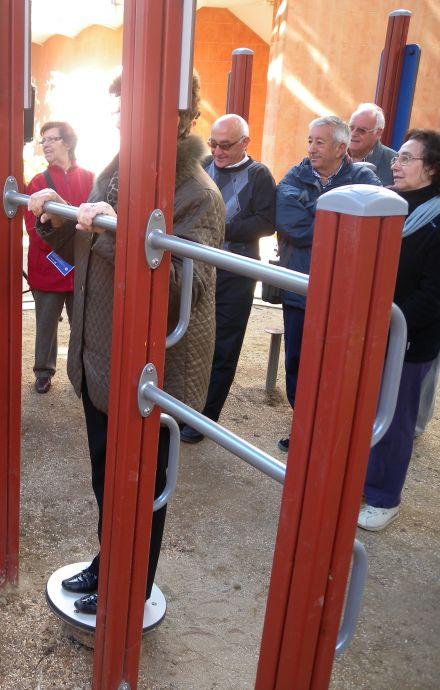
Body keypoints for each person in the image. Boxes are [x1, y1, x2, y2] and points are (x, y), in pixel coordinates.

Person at [28, 73, 224, 614]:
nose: (120, 119)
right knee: (106, 476)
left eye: (129, 107)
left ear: (174, 114)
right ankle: (109, 559)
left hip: (149, 370)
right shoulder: (118, 172)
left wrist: (116, 231)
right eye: (117, 109)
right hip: (102, 356)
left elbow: (182, 287)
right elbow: (87, 246)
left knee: (140, 484)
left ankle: (131, 585)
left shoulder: (197, 194)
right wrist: (55, 217)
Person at [275, 116, 380, 451]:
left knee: (335, 365)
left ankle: (330, 432)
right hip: (300, 290)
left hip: (343, 295)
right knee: (297, 362)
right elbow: (290, 225)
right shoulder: (295, 175)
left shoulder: (363, 179)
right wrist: (337, 223)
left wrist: (314, 214)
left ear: (340, 147)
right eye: (310, 140)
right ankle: (303, 427)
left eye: (319, 142)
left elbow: (365, 232)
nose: (311, 148)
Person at [358, 129, 440, 531]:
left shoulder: (434, 220)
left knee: (395, 418)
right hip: (373, 331)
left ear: (433, 168)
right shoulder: (389, 206)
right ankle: (362, 480)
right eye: (398, 156)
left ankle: (383, 497)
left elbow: (433, 294)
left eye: (408, 158)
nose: (397, 163)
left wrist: (390, 324)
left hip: (408, 338)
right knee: (366, 411)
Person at [179, 114, 276, 443]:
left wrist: (218, 226)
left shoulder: (259, 175)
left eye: (226, 145)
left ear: (245, 143)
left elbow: (266, 222)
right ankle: (182, 408)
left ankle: (205, 419)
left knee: (223, 347)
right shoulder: (203, 165)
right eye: (213, 144)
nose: (218, 151)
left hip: (236, 273)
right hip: (198, 269)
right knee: (189, 341)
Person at [23, 121, 94, 394]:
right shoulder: (38, 182)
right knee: (46, 324)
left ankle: (84, 372)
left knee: (82, 326)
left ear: (68, 142)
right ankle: (43, 371)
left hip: (80, 267)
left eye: (52, 139)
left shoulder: (89, 178)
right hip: (48, 266)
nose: (46, 145)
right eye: (43, 140)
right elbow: (34, 229)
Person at [348, 103, 397, 186]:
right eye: (350, 128)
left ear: (378, 133)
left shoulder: (394, 163)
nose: (353, 134)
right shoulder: (334, 154)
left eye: (361, 130)